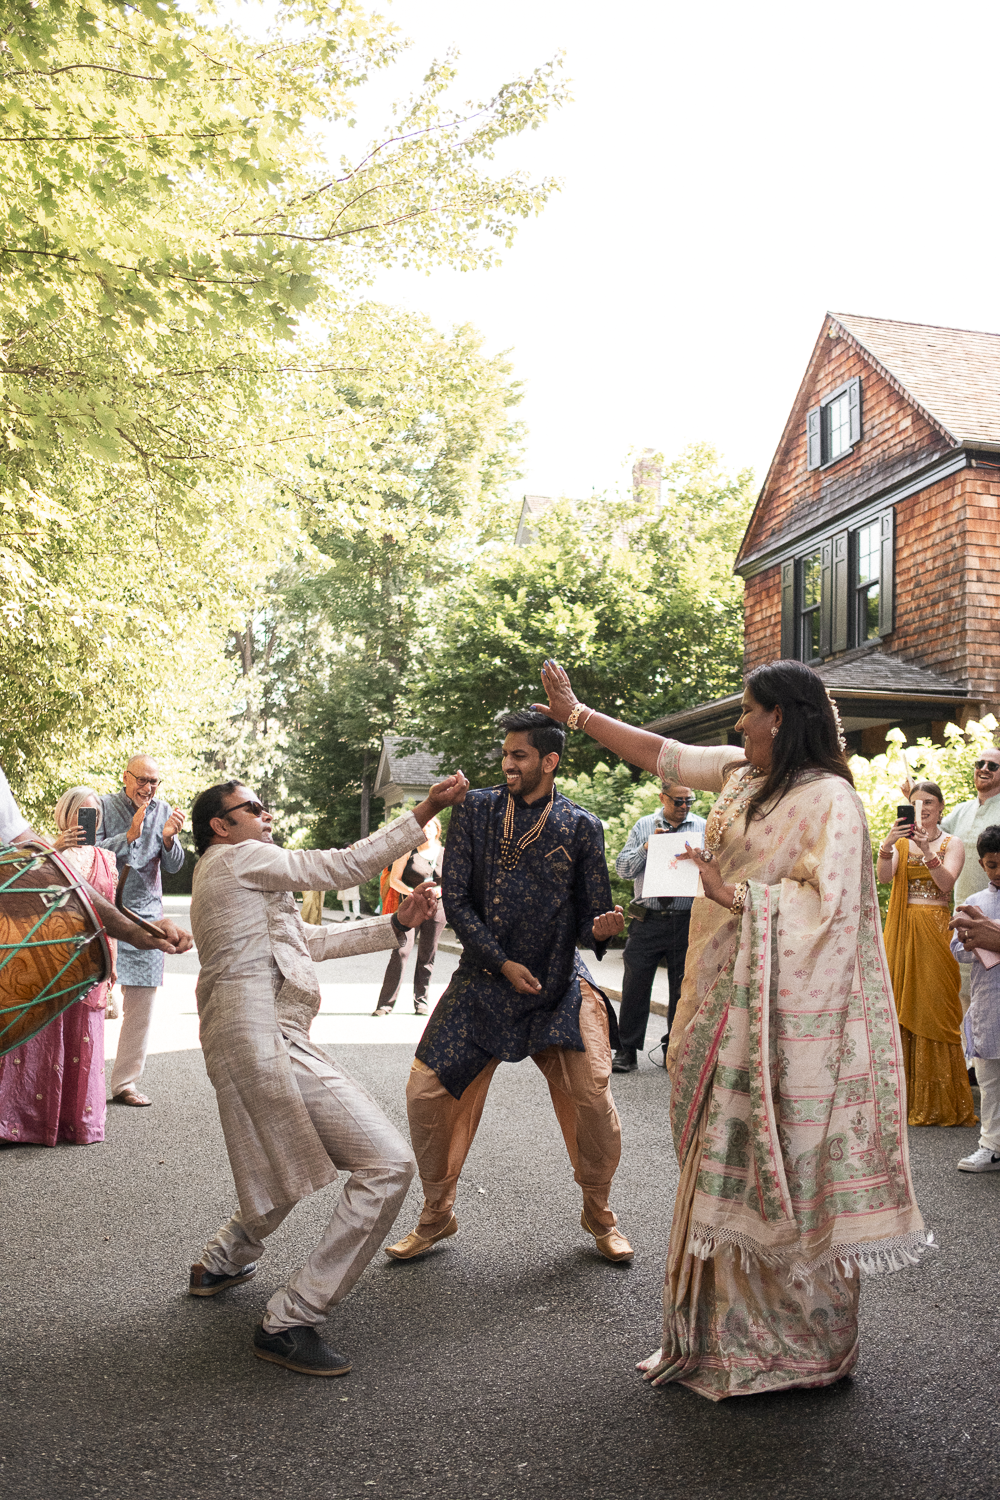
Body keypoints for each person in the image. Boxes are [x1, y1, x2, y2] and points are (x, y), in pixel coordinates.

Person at [535, 657, 929, 1402]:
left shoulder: (830, 800)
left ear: (781, 716)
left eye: (748, 710)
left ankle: (804, 1351)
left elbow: (836, 913)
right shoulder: (748, 777)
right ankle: (715, 1338)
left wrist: (739, 893)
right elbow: (660, 753)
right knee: (716, 1162)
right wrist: (578, 715)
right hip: (719, 996)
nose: (739, 723)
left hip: (783, 1019)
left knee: (782, 1164)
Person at [186, 771, 469, 1378]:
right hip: (262, 1037)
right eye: (253, 808)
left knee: (280, 1150)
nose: (267, 816)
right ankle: (291, 1318)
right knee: (387, 1166)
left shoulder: (238, 872)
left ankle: (221, 1260)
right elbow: (342, 866)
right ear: (220, 824)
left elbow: (304, 942)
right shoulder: (237, 859)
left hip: (255, 1037)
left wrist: (398, 925)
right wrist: (423, 811)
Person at [385, 709, 632, 1267]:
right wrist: (500, 962)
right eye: (505, 754)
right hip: (483, 980)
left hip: (556, 982)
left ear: (550, 761)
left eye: (519, 755)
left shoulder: (582, 826)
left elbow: (595, 913)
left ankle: (599, 1211)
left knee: (593, 1099)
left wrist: (603, 929)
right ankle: (437, 1213)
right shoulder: (474, 809)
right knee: (427, 1094)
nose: (507, 764)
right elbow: (459, 899)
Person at [0, 788, 117, 1146]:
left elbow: (111, 910)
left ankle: (76, 1123)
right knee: (40, 1039)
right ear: (64, 816)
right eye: (81, 813)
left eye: (94, 815)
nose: (88, 821)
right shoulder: (44, 854)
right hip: (48, 958)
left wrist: (112, 965)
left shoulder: (108, 859)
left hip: (91, 959)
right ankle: (24, 1122)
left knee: (84, 1035)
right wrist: (57, 848)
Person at [877, 781, 973, 1127]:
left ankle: (940, 1100)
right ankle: (905, 1098)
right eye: (916, 803)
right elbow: (884, 878)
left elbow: (946, 883)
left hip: (935, 928)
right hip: (903, 931)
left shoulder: (953, 843)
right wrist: (888, 845)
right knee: (903, 1004)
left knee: (935, 1006)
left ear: (941, 807)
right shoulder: (901, 843)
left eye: (929, 802)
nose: (923, 808)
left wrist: (926, 849)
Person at [98, 754, 185, 1107]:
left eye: (154, 782)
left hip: (147, 916)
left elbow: (176, 867)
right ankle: (78, 1082)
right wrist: (128, 835)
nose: (148, 788)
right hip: (103, 912)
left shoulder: (163, 810)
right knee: (89, 1001)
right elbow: (85, 852)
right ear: (126, 777)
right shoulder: (101, 806)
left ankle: (125, 1083)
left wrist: (168, 839)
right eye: (142, 780)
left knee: (142, 1005)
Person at [612, 783, 706, 1073]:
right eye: (678, 801)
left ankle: (673, 1049)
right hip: (648, 919)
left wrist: (703, 859)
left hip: (685, 917)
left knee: (682, 989)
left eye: (689, 800)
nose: (684, 807)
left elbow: (719, 869)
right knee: (635, 985)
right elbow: (622, 869)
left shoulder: (702, 827)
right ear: (662, 798)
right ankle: (626, 1050)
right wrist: (646, 848)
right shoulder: (644, 826)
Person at [951, 826, 1000, 1171]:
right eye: (993, 865)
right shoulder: (975, 903)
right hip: (989, 1006)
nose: (999, 872)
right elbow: (958, 950)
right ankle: (991, 1145)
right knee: (989, 1081)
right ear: (983, 865)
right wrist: (973, 940)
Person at [939, 746, 1000, 1012]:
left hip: (996, 919)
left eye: (993, 765)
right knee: (965, 1001)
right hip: (964, 917)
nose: (984, 768)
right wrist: (915, 800)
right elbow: (933, 835)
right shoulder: (962, 811)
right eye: (980, 763)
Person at [373, 816, 446, 1016]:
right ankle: (385, 1004)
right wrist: (414, 892)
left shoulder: (444, 853)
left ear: (437, 830)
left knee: (427, 953)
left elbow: (453, 882)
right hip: (410, 906)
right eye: (423, 826)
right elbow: (394, 880)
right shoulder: (408, 852)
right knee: (400, 951)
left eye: (430, 826)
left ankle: (421, 1002)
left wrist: (440, 891)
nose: (426, 830)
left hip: (437, 908)